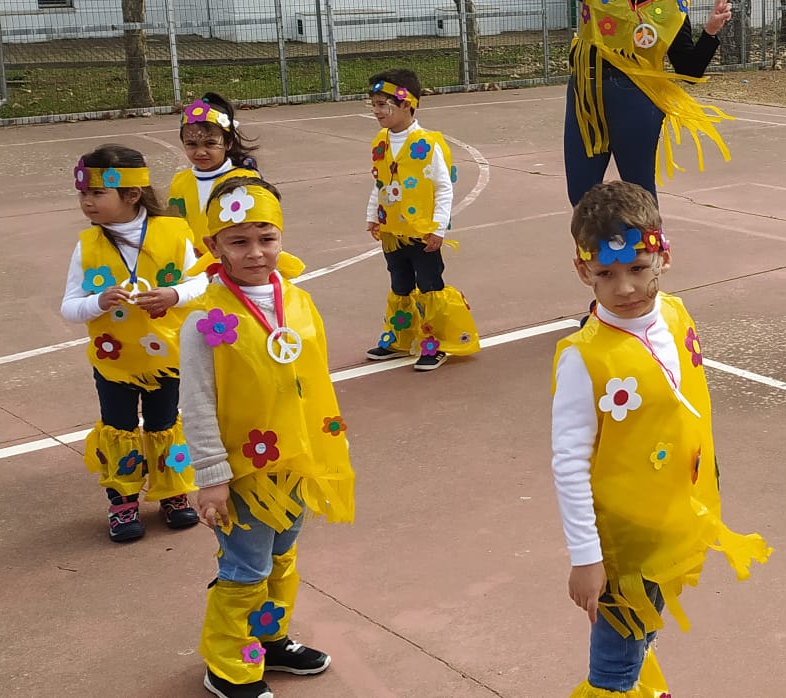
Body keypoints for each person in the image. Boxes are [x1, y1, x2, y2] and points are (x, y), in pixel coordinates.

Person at [551, 181, 771, 698]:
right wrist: (586, 557)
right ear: (583, 270)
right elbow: (569, 463)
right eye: (605, 274)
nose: (624, 288)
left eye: (636, 270)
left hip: (671, 524)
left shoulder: (674, 314)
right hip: (624, 547)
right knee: (614, 666)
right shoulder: (584, 358)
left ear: (662, 258)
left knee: (642, 635)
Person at [182, 177, 354, 698]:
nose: (256, 252)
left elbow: (315, 379)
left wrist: (328, 445)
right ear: (213, 245)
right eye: (238, 241)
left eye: (267, 237)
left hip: (295, 461)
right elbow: (196, 404)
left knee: (281, 556)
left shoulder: (297, 300)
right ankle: (229, 665)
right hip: (243, 472)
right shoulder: (205, 321)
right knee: (245, 565)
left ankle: (268, 640)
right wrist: (212, 477)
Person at [521, 0, 739, 206]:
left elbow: (689, 70)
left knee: (639, 194)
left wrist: (711, 31)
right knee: (582, 195)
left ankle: (648, 251)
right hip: (586, 97)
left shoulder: (673, 5)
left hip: (636, 101)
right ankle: (591, 252)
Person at [62, 145, 205, 542]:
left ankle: (173, 494)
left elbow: (201, 280)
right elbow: (70, 307)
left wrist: (173, 295)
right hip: (115, 360)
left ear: (131, 194)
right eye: (83, 194)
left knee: (164, 424)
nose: (87, 202)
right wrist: (97, 302)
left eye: (96, 194)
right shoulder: (87, 246)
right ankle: (123, 503)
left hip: (166, 355)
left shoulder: (174, 232)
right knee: (119, 426)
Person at [361, 70, 480, 371]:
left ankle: (435, 344)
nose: (376, 111)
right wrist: (373, 215)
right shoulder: (381, 141)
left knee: (429, 285)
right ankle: (399, 339)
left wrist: (438, 228)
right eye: (373, 104)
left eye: (382, 105)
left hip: (422, 233)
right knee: (400, 284)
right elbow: (379, 182)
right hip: (392, 232)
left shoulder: (428, 143)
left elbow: (443, 187)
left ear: (407, 104)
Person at [170, 94, 263, 246]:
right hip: (191, 264)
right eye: (191, 144)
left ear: (228, 143)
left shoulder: (245, 179)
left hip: (230, 263)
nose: (200, 152)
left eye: (210, 143)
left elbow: (256, 229)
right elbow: (175, 225)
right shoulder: (179, 181)